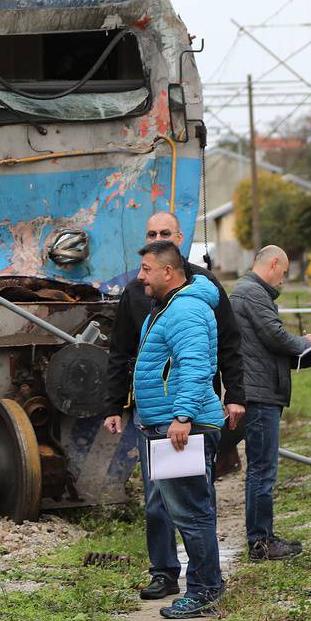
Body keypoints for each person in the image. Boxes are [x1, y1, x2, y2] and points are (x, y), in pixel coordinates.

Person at [104, 210, 246, 601]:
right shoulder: (143, 293)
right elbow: (122, 352)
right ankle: (166, 572)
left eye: (163, 233)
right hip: (159, 419)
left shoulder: (196, 294)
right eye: (151, 232)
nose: (141, 274)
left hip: (181, 418)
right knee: (161, 501)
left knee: (192, 503)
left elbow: (214, 353)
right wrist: (116, 404)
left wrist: (231, 397)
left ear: (179, 240)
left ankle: (204, 584)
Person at [119, 240, 225, 618]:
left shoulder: (184, 311)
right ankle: (207, 583)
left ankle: (205, 590)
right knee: (186, 509)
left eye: (146, 269)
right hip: (168, 424)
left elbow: (196, 367)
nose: (140, 276)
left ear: (168, 271)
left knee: (191, 511)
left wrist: (181, 417)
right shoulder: (166, 307)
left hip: (183, 426)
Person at [231, 245, 311, 561]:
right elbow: (275, 336)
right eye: (284, 271)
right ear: (274, 263)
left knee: (262, 469)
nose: (284, 278)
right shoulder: (252, 292)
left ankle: (263, 536)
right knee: (263, 470)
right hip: (260, 393)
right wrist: (306, 344)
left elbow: (267, 345)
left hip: (261, 390)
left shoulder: (251, 292)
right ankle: (260, 543)